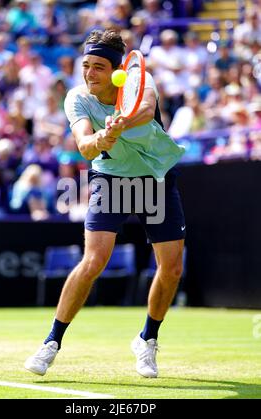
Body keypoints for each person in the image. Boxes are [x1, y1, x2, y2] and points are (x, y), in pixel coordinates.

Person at [25, 29, 186, 379]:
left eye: (99, 67)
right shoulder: (77, 98)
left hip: (155, 179)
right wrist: (102, 137)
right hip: (110, 179)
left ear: (117, 70)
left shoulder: (139, 82)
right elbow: (84, 146)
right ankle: (52, 341)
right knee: (94, 260)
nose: (89, 73)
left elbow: (144, 109)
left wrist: (122, 120)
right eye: (86, 65)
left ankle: (148, 338)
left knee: (172, 268)